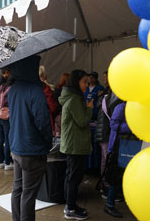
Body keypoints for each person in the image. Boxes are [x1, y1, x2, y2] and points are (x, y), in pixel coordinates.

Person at [7, 55, 53, 221]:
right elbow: (43, 122)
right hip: (32, 150)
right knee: (28, 194)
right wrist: (48, 142)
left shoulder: (13, 89)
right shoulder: (35, 91)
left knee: (18, 189)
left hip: (17, 147)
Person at [59, 70, 94, 220]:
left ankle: (70, 206)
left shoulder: (73, 97)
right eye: (84, 81)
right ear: (76, 82)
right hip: (74, 145)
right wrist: (90, 108)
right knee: (74, 178)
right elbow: (82, 121)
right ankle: (71, 209)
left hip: (74, 143)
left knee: (72, 177)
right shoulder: (74, 100)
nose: (87, 84)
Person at [104, 102, 130, 218]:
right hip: (117, 147)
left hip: (127, 146)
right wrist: (133, 126)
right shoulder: (121, 107)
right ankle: (109, 205)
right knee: (117, 177)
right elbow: (113, 125)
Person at [0, 76, 14, 170]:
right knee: (7, 139)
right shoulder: (11, 88)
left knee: (0, 139)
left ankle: (0, 161)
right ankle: (8, 163)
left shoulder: (1, 87)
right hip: (6, 116)